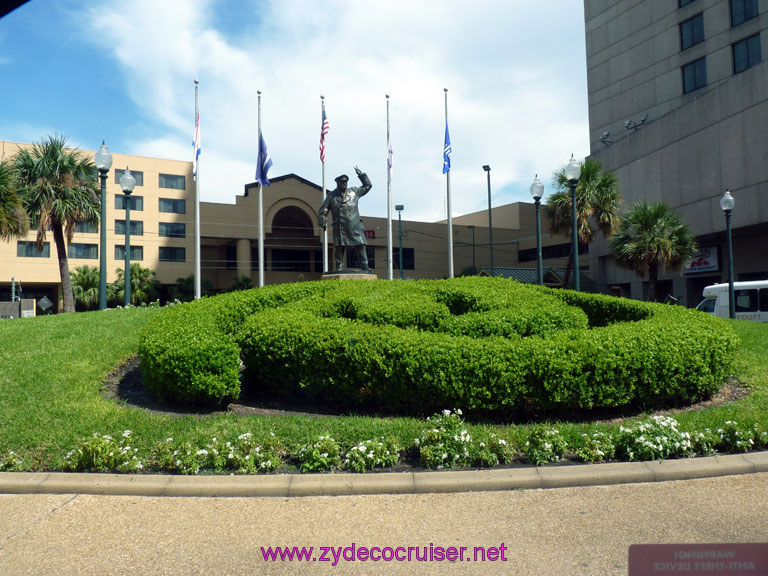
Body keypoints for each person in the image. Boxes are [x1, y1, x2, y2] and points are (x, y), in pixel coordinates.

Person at [317, 166, 372, 272]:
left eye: (345, 182)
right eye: (342, 182)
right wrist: (322, 222)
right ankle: (339, 266)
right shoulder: (332, 196)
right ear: (337, 183)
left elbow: (367, 186)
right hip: (340, 226)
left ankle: (365, 265)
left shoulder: (354, 191)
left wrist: (362, 175)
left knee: (360, 244)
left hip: (355, 224)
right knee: (340, 247)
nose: (344, 184)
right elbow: (323, 210)